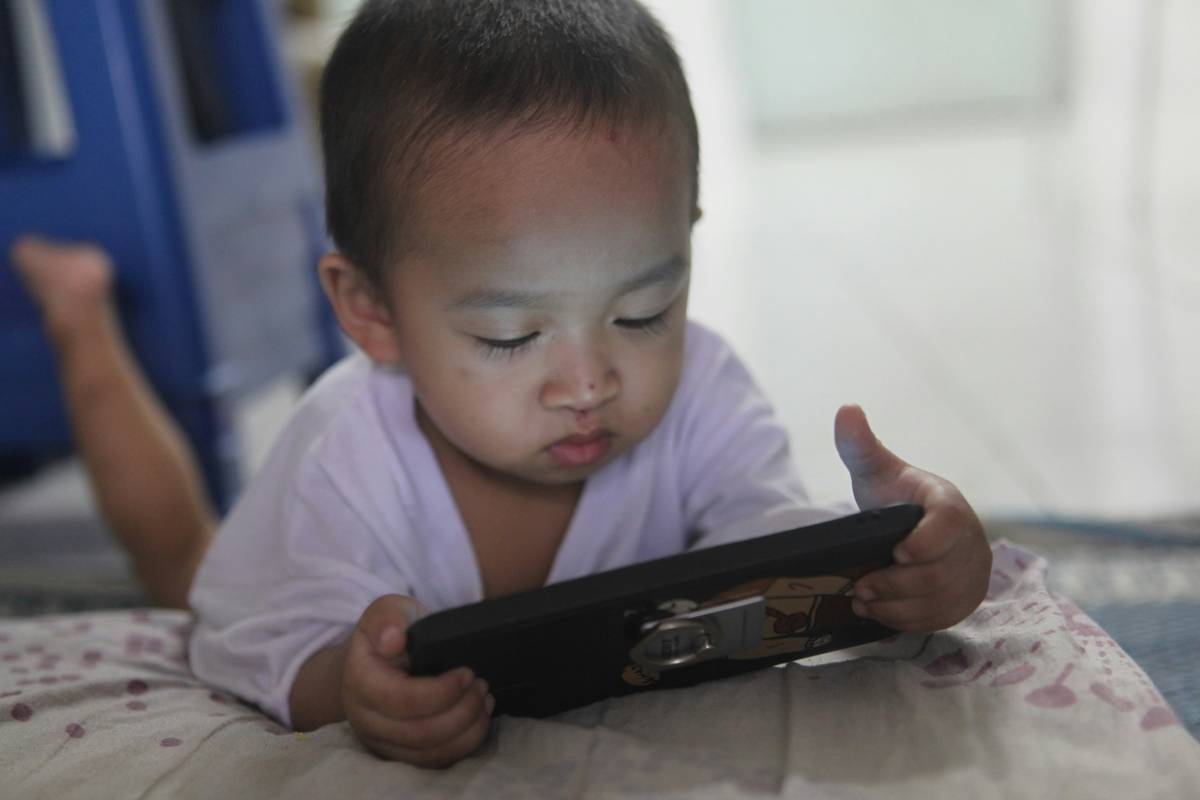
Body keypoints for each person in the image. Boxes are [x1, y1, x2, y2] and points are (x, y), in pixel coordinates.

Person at [10, 0, 992, 769]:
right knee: (182, 556)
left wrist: (894, 560)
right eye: (510, 333)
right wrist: (346, 685)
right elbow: (262, 644)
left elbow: (756, 541)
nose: (588, 380)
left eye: (644, 310)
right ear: (372, 312)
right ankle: (82, 317)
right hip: (251, 570)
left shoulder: (702, 390)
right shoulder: (343, 451)